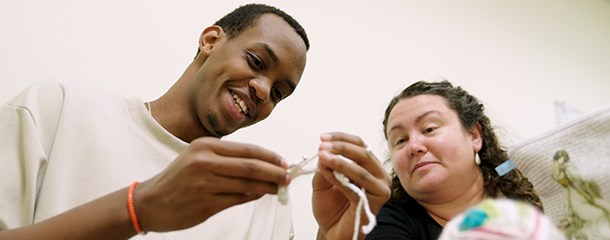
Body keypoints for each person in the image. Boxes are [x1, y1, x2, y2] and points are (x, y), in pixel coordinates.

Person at [0, 4, 390, 240]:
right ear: (210, 40)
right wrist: (139, 208)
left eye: (278, 92)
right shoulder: (59, 107)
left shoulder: (265, 201)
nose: (261, 90)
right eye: (256, 63)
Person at [365, 80, 543, 240]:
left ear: (474, 136)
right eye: (401, 140)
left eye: (429, 129)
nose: (413, 146)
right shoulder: (386, 220)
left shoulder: (522, 193)